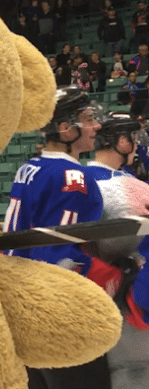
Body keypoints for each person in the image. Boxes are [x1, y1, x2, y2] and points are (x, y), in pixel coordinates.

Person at [4, 87, 109, 389]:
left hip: (19, 297)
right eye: (89, 120)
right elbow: (61, 254)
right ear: (65, 129)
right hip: (56, 308)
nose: (96, 126)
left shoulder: (29, 167)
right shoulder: (74, 178)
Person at [80, 113, 149, 389]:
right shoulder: (125, 186)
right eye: (133, 139)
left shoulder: (78, 177)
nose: (136, 145)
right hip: (125, 294)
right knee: (134, 371)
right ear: (121, 141)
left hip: (95, 292)